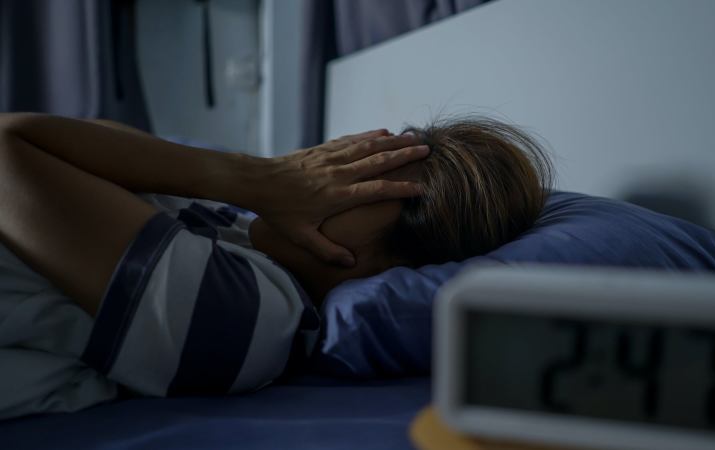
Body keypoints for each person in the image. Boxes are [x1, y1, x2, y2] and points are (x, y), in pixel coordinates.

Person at [0, 113, 551, 419]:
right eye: (361, 151)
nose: (330, 165)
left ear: (381, 265)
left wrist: (253, 176)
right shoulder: (237, 223)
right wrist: (257, 182)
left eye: (369, 176)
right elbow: (99, 131)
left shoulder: (247, 317)